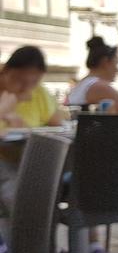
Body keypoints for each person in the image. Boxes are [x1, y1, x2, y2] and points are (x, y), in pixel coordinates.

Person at [0, 46, 65, 234]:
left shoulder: (38, 93)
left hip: (30, 159)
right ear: (6, 71)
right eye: (19, 80)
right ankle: (26, 248)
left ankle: (41, 247)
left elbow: (59, 126)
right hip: (5, 160)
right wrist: (4, 109)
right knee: (16, 190)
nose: (26, 87)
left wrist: (24, 127)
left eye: (34, 81)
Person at [66, 37, 118, 112]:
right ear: (105, 62)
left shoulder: (82, 84)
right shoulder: (101, 87)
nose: (117, 70)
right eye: (116, 64)